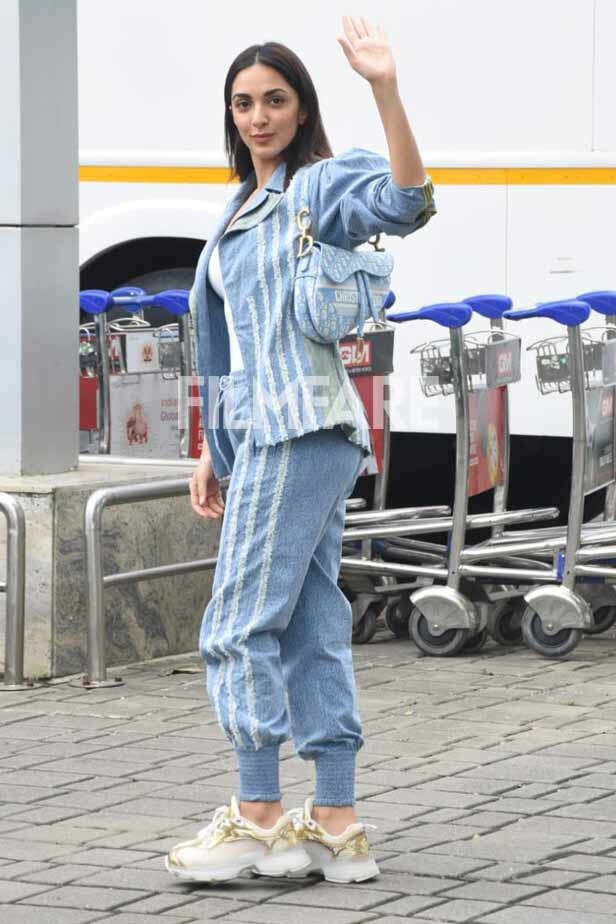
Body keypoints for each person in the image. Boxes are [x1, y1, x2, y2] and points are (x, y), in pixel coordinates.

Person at [166, 15, 436, 885]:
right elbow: (232, 341)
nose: (257, 116)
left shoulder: (316, 186)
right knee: (314, 625)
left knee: (237, 621)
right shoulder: (241, 202)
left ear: (300, 105)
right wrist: (214, 443)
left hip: (301, 428)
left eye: (274, 100)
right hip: (271, 431)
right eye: (242, 103)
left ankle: (254, 817)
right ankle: (337, 820)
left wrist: (385, 89)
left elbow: (407, 203)